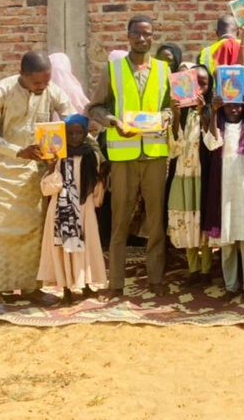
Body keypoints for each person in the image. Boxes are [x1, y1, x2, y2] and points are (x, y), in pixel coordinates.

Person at [0, 51, 75, 316]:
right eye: (37, 84)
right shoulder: (0, 92)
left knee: (34, 231)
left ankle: (31, 287)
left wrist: (73, 131)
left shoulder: (51, 90)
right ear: (22, 75)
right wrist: (18, 151)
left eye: (46, 82)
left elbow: (71, 116)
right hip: (2, 171)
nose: (42, 88)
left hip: (36, 172)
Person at [87, 15, 173, 298]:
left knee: (156, 219)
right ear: (128, 36)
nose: (142, 39)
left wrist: (165, 117)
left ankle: (157, 278)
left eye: (147, 34)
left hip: (155, 154)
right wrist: (113, 122)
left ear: (153, 36)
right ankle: (117, 283)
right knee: (119, 219)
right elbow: (95, 108)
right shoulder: (113, 70)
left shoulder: (163, 70)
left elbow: (171, 107)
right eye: (137, 33)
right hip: (123, 156)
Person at [37, 114, 107, 305]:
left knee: (86, 245)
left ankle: (84, 285)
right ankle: (67, 288)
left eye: (79, 132)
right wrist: (51, 169)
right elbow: (49, 189)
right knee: (64, 249)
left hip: (85, 207)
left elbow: (96, 185)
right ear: (64, 134)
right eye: (70, 133)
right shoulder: (58, 155)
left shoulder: (91, 155)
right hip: (62, 209)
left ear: (85, 134)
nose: (75, 136)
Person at [203, 93, 244, 300]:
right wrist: (215, 111)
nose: (234, 109)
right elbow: (211, 143)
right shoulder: (219, 126)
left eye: (238, 106)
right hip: (224, 186)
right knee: (226, 239)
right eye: (228, 106)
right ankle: (230, 286)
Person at [167, 65, 212, 286]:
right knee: (187, 219)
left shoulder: (212, 109)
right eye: (196, 83)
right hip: (183, 174)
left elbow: (212, 143)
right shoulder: (181, 112)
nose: (199, 89)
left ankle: (207, 269)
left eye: (204, 84)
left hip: (203, 174)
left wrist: (204, 114)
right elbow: (173, 145)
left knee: (202, 220)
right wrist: (175, 115)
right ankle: (193, 268)